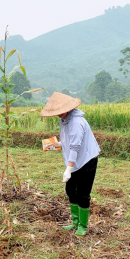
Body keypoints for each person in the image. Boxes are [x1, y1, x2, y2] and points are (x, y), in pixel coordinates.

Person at [40, 92, 100, 237]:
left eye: (60, 111)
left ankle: (83, 226)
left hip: (86, 160)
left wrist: (68, 169)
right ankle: (75, 221)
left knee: (83, 193)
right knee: (71, 190)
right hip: (74, 161)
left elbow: (75, 147)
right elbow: (69, 141)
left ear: (68, 108)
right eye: (56, 112)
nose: (58, 114)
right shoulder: (64, 120)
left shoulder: (76, 122)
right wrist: (58, 144)